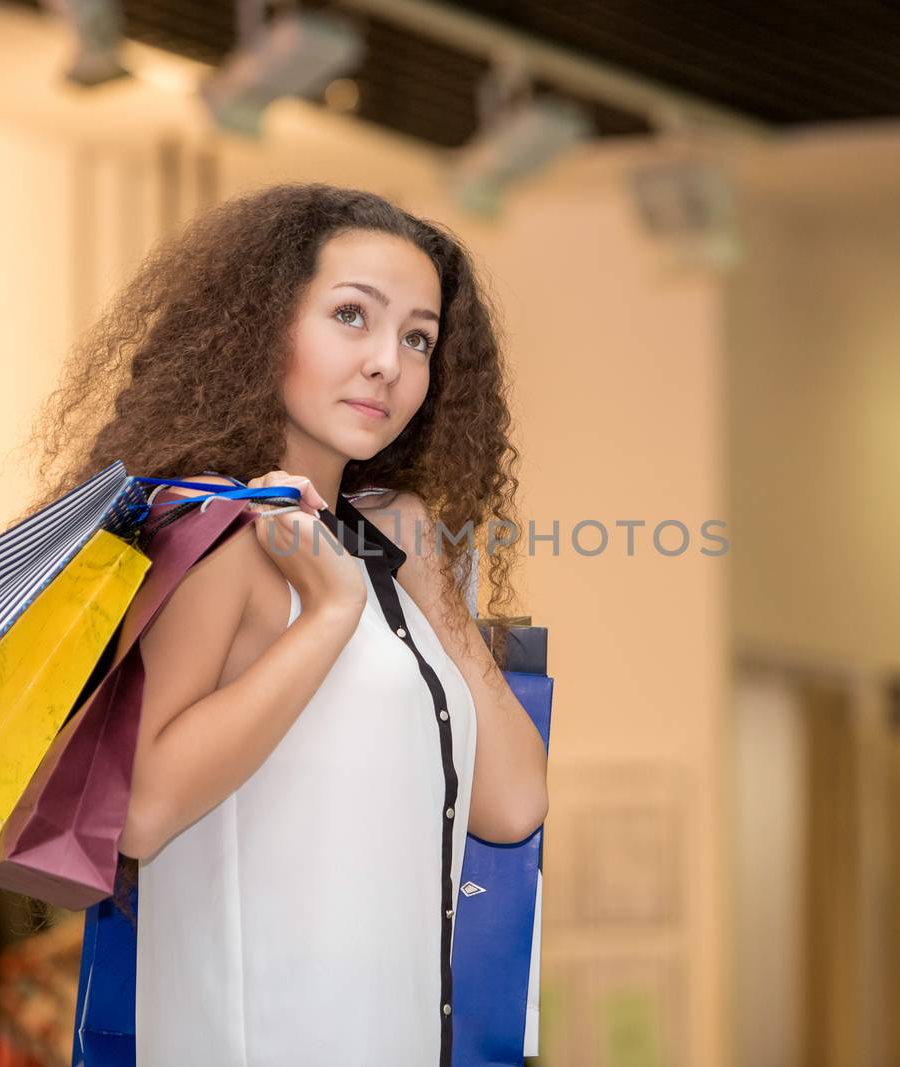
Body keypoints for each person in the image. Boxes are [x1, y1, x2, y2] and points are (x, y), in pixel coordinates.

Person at [27, 181, 549, 1064]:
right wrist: (330, 614)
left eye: (418, 337)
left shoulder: (380, 556)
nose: (389, 360)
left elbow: (512, 803)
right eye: (353, 316)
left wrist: (427, 580)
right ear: (262, 326)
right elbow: (143, 812)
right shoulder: (217, 539)